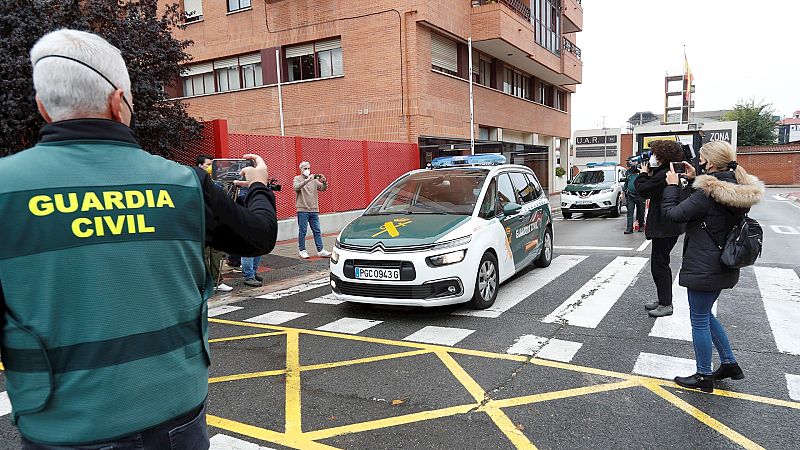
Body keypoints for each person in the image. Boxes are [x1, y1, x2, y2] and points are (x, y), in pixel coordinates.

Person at [0, 29, 277, 448]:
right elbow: (257, 237)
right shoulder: (183, 183)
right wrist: (258, 187)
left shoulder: (6, 189)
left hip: (64, 427)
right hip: (177, 415)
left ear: (42, 107)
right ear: (118, 102)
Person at [661, 141, 764, 392]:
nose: (699, 161)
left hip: (704, 264)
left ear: (710, 162)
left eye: (702, 159)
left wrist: (673, 187)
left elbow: (674, 214)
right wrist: (699, 178)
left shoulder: (708, 193)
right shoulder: (736, 187)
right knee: (706, 314)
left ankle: (703, 376)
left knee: (699, 319)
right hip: (723, 262)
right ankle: (729, 363)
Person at [634, 140, 687, 318]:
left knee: (659, 265)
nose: (652, 157)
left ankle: (666, 303)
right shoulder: (671, 170)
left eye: (655, 154)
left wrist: (642, 174)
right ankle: (663, 299)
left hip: (664, 226)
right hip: (670, 225)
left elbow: (643, 190)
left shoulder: (665, 174)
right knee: (660, 263)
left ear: (662, 156)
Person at [197, 154, 233, 292]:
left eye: (212, 164)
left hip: (216, 223)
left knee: (216, 253)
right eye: (207, 165)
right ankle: (204, 282)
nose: (210, 168)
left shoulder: (217, 181)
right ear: (200, 166)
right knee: (204, 255)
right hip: (203, 223)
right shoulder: (196, 181)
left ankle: (217, 280)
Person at [293, 161, 331, 259]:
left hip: (314, 209)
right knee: (303, 231)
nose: (307, 170)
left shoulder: (314, 180)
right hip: (302, 210)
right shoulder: (297, 178)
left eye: (308, 168)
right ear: (300, 169)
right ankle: (302, 250)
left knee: (317, 230)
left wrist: (324, 181)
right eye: (305, 168)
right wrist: (306, 180)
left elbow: (323, 188)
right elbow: (296, 187)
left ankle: (321, 250)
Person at [237, 186, 263, 287]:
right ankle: (248, 276)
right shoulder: (243, 189)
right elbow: (241, 199)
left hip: (259, 220)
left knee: (259, 248)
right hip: (246, 221)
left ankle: (253, 272)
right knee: (248, 249)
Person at [623, 162, 645, 234]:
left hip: (640, 195)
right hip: (630, 195)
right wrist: (624, 191)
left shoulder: (640, 171)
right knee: (630, 212)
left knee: (641, 211)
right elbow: (626, 182)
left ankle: (641, 226)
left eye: (632, 162)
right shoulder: (628, 172)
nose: (630, 163)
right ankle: (629, 228)